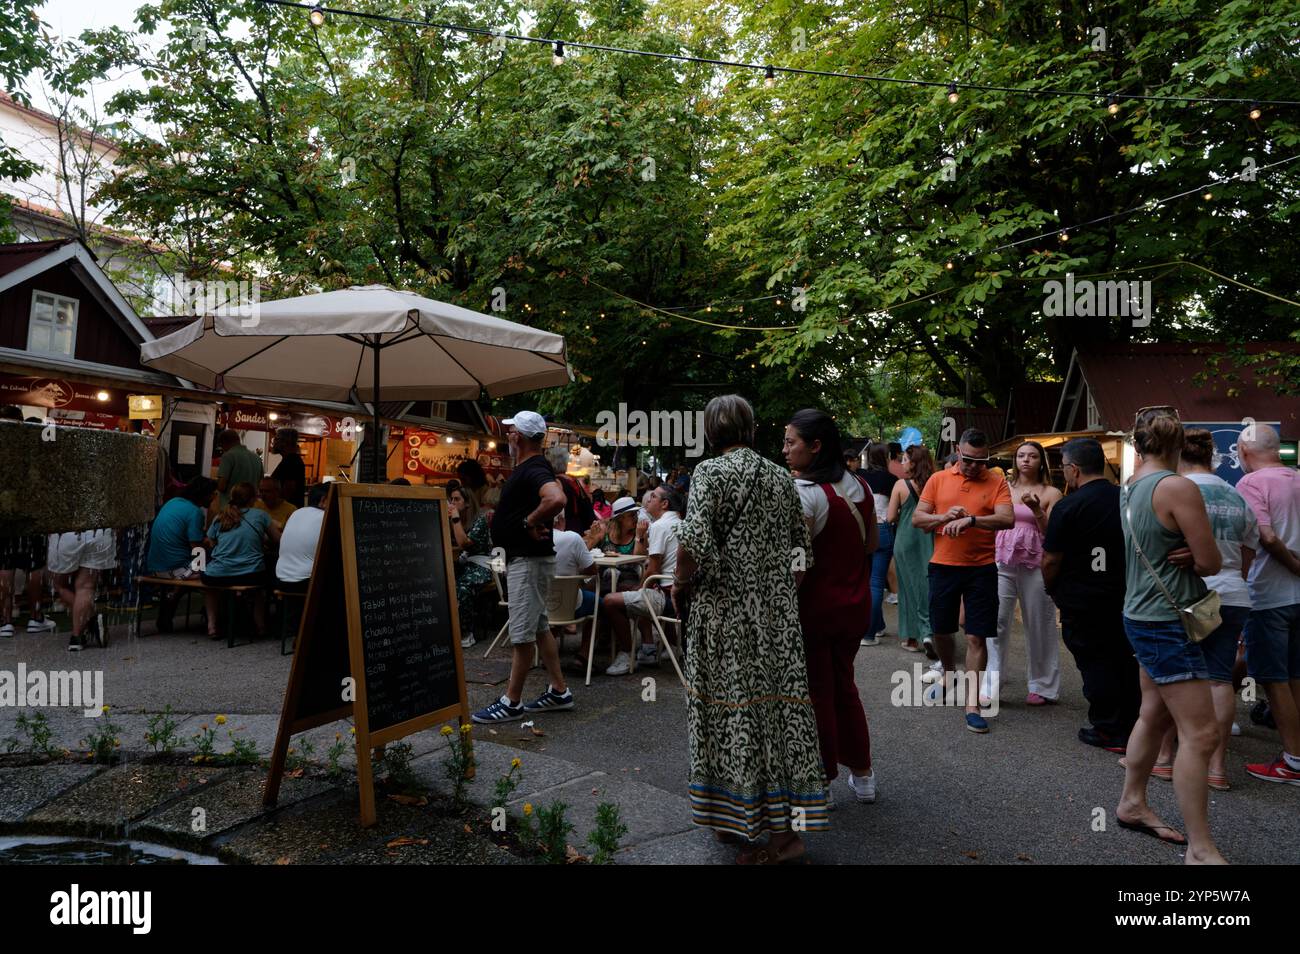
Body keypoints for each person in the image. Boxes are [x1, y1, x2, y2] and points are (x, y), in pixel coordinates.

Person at [673, 394, 827, 863]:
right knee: (775, 721)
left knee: (728, 716)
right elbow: (801, 555)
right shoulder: (782, 477)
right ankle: (768, 828)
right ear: (752, 428)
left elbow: (693, 540)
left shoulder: (709, 473)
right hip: (775, 619)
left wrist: (681, 585)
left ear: (709, 432)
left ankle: (754, 828)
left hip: (722, 615)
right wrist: (774, 591)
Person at [1117, 407, 1225, 861]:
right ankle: (1200, 848)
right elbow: (1210, 562)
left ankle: (1132, 802)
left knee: (1154, 713)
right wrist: (1191, 554)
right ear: (1180, 444)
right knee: (1201, 734)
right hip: (1166, 619)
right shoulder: (1176, 486)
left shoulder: (1132, 487)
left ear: (1138, 446)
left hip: (1142, 614)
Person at [1147, 428, 1257, 790]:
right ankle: (1217, 769)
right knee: (1219, 679)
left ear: (1179, 455)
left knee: (1174, 678)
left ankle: (1163, 759)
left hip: (1191, 594)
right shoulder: (1235, 494)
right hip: (1234, 594)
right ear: (1213, 457)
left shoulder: (1175, 490)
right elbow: (1251, 548)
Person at [785, 409, 878, 805]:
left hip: (815, 611)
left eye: (792, 442)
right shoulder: (861, 486)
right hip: (855, 607)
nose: (785, 449)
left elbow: (797, 566)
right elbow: (870, 545)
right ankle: (863, 774)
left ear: (816, 446)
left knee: (818, 693)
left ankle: (820, 779)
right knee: (845, 686)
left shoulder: (804, 495)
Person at [472, 411, 573, 723]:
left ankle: (511, 701)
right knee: (540, 627)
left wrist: (529, 520)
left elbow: (557, 498)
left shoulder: (533, 468)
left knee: (522, 634)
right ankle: (559, 690)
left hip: (528, 561)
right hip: (529, 559)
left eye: (511, 431)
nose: (508, 436)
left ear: (519, 437)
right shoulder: (533, 467)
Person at [912, 428, 1014, 733]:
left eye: (980, 461)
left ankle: (972, 705)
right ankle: (947, 672)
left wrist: (971, 520)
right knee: (942, 631)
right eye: (967, 459)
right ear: (957, 450)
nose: (973, 466)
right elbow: (918, 519)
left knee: (976, 636)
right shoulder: (938, 479)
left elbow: (1007, 519)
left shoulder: (996, 480)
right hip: (943, 566)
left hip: (981, 568)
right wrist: (943, 518)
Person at [1041, 438, 1140, 752]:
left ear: (1073, 469)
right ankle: (1133, 722)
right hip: (1125, 594)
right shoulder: (1128, 499)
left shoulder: (1068, 506)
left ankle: (1109, 728)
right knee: (1124, 659)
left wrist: (1051, 587)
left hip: (1082, 598)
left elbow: (1051, 558)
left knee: (1095, 662)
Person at [1235, 421, 1300, 786]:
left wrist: (1293, 565)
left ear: (1243, 452)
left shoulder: (1251, 483)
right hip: (1297, 597)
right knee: (1295, 675)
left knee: (1274, 679)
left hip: (1269, 594)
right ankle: (1296, 753)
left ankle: (1293, 761)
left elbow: (1265, 535)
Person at [985, 441, 1062, 707]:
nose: (1026, 460)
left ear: (1041, 461)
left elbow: (1053, 533)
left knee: (1039, 622)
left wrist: (1037, 510)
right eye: (1020, 455)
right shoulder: (1002, 488)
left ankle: (1043, 685)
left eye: (1032, 456)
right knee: (996, 621)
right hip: (1002, 560)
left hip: (1036, 562)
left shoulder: (1052, 492)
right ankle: (992, 683)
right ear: (1014, 460)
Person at [600, 484, 683, 675]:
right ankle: (658, 647)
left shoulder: (659, 526)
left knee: (610, 601)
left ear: (664, 504)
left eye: (653, 497)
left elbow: (652, 568)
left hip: (667, 596)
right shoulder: (680, 522)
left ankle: (627, 653)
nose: (647, 501)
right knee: (635, 593)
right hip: (679, 592)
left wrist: (639, 587)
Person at [202, 481, 281, 640]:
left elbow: (209, 541)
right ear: (253, 499)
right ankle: (260, 626)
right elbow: (278, 540)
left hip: (217, 574)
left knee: (210, 587)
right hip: (250, 573)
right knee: (260, 589)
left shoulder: (221, 516)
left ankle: (212, 626)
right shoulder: (261, 515)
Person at [146, 476, 219, 632]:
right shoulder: (195, 512)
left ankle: (172, 599)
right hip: (175, 568)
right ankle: (213, 618)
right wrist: (203, 568)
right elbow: (196, 548)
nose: (215, 497)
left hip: (155, 566)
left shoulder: (173, 502)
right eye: (213, 493)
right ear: (204, 494)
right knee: (216, 572)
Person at [887, 444, 936, 653]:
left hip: (905, 539)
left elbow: (890, 517)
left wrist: (902, 514)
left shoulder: (900, 485)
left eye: (905, 459)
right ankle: (930, 632)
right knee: (927, 585)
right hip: (929, 538)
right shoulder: (934, 484)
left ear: (913, 462)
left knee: (907, 588)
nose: (902, 463)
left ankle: (913, 639)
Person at [48, 529, 117, 652]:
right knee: (86, 586)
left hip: (67, 534)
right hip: (99, 533)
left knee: (58, 585)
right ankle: (76, 637)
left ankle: (91, 619)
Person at [861, 442, 898, 645]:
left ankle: (879, 625)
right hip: (883, 529)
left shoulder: (861, 478)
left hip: (863, 532)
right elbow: (895, 512)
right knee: (876, 582)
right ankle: (868, 633)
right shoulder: (891, 480)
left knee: (868, 580)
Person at [449, 484, 493, 649]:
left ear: (467, 503)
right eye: (451, 499)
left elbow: (464, 543)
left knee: (463, 587)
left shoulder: (479, 520)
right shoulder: (454, 519)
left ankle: (466, 633)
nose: (453, 503)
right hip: (463, 563)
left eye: (457, 499)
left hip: (482, 566)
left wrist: (455, 519)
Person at [276, 483, 329, 593]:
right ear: (323, 500)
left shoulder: (296, 513)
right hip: (306, 582)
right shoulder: (325, 517)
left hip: (281, 579)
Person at [216, 429, 263, 508]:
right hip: (251, 508)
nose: (222, 450)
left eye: (221, 446)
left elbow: (221, 486)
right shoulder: (256, 458)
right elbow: (261, 484)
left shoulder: (228, 456)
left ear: (224, 443)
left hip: (231, 509)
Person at [271, 428, 306, 508]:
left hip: (286, 513)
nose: (274, 442)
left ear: (285, 442)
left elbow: (288, 489)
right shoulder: (289, 460)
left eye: (276, 439)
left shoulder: (292, 461)